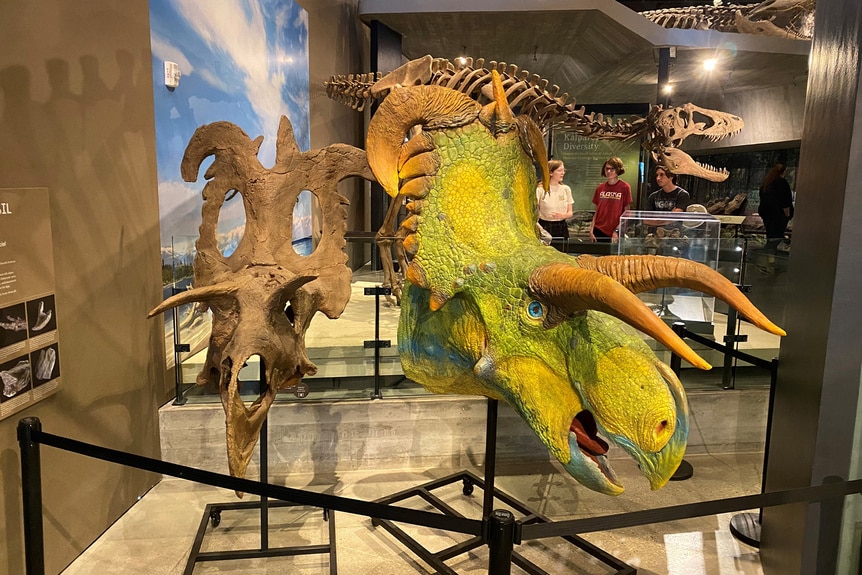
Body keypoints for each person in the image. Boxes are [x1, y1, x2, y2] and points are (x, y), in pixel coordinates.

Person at [757, 163, 794, 274]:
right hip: (778, 215)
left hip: (767, 215)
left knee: (772, 237)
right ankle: (762, 261)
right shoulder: (781, 183)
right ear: (783, 172)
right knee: (775, 239)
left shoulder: (766, 184)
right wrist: (787, 215)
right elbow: (785, 200)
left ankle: (770, 263)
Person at [590, 156, 632, 242]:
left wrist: (618, 230)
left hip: (615, 230)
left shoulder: (625, 187)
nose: (609, 171)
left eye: (612, 169)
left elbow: (627, 212)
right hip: (598, 229)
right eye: (607, 169)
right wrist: (591, 230)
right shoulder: (600, 188)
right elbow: (597, 211)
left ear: (618, 170)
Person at [536, 159, 573, 249]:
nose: (562, 173)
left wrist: (562, 215)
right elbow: (533, 213)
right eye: (559, 170)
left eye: (563, 170)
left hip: (562, 227)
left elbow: (570, 213)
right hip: (545, 226)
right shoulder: (540, 189)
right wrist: (541, 230)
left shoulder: (566, 189)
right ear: (550, 173)